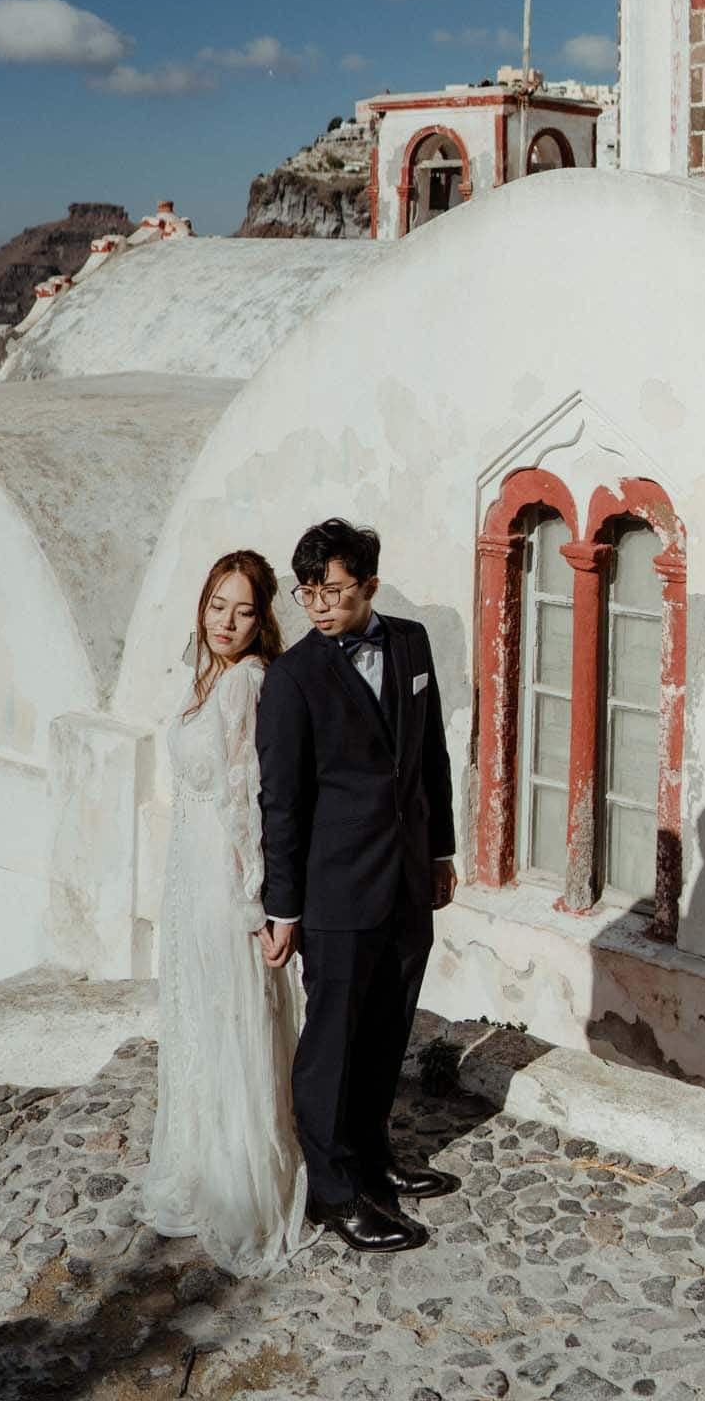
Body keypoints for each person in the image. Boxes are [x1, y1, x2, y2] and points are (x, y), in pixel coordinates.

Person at [255, 517, 459, 1253]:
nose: (319, 605)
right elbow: (281, 801)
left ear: (369, 585)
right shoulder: (292, 679)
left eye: (334, 591)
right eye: (308, 593)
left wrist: (439, 853)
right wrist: (284, 908)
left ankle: (374, 1159)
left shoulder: (409, 643)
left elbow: (430, 753)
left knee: (387, 1029)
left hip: (406, 877)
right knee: (333, 1043)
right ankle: (334, 1193)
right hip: (335, 890)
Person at [139, 551, 307, 1275]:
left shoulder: (247, 683)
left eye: (242, 610)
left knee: (232, 1019)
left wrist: (259, 903)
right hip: (187, 872)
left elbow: (250, 799)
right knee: (198, 1020)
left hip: (222, 880)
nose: (226, 622)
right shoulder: (204, 677)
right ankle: (202, 1167)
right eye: (216, 605)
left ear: (261, 618)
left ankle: (243, 1188)